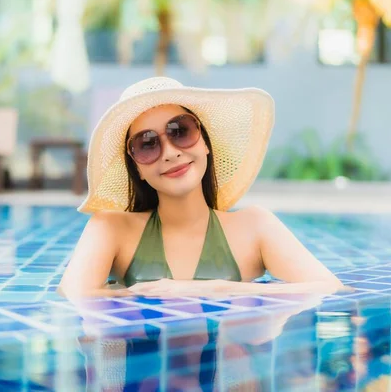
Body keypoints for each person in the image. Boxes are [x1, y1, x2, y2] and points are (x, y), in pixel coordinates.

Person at [58, 76, 344, 299]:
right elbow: (71, 298)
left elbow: (331, 289)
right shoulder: (111, 228)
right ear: (137, 169)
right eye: (147, 144)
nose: (170, 152)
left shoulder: (254, 227)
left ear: (205, 142)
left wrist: (217, 289)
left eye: (180, 131)